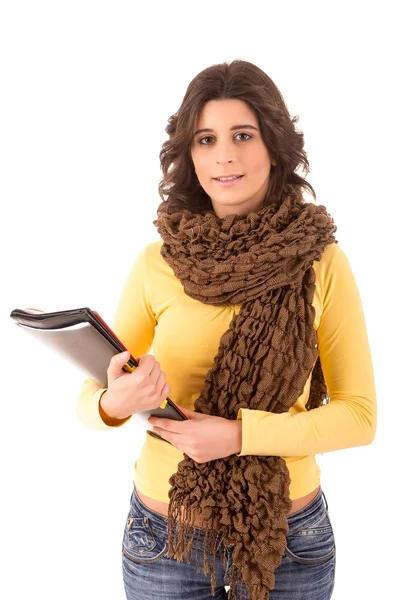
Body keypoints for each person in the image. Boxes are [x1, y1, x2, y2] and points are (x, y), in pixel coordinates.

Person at [76, 59, 377, 600]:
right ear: (188, 156)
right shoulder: (157, 263)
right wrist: (115, 402)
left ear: (275, 146)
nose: (224, 156)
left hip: (289, 542)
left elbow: (359, 417)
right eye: (205, 139)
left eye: (243, 135)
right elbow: (89, 400)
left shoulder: (321, 262)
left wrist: (242, 437)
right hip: (166, 538)